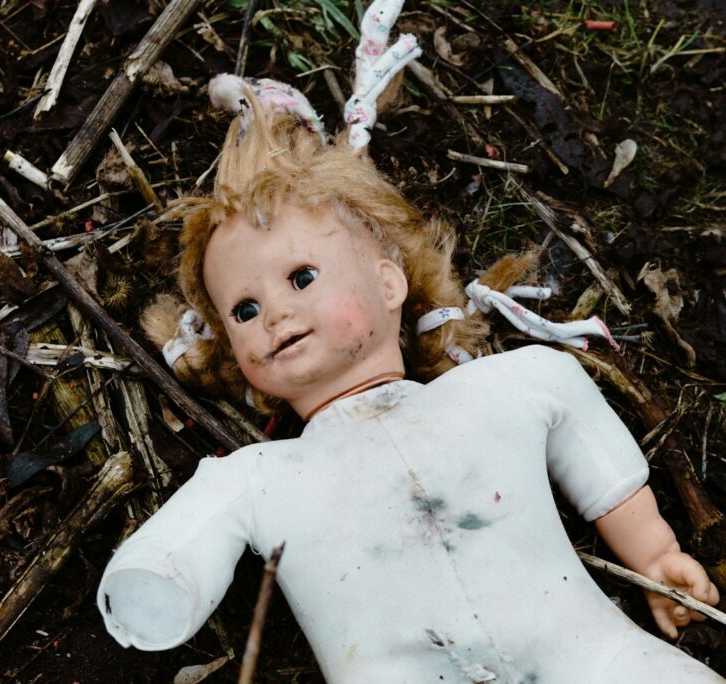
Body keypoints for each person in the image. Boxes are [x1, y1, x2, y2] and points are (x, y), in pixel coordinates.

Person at [96, 3, 723, 681]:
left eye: (302, 277)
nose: (275, 311)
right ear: (231, 352)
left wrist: (653, 553)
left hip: (586, 652)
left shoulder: (503, 388)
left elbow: (570, 403)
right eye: (244, 309)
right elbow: (191, 534)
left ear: (389, 282)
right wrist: (159, 579)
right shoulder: (260, 477)